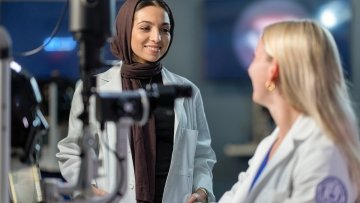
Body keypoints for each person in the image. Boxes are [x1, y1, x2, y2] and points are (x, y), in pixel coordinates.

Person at [56, 0, 216, 203]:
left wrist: (202, 191)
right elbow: (72, 151)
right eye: (145, 28)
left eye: (164, 29)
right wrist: (90, 189)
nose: (157, 38)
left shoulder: (188, 91)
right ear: (124, 30)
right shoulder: (93, 87)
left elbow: (202, 156)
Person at [218, 19, 360, 203]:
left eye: (254, 58)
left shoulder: (323, 150)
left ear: (273, 70)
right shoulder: (271, 144)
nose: (249, 69)